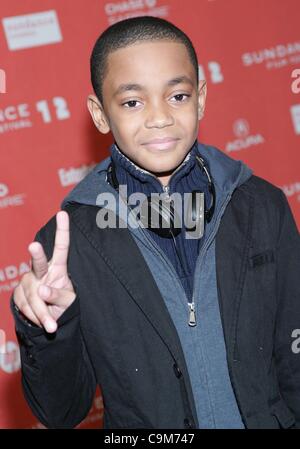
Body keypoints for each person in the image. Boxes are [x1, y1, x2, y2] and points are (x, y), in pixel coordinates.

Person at [11, 16, 300, 429]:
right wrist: (46, 328)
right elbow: (60, 411)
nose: (160, 117)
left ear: (200, 98)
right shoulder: (68, 241)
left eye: (178, 96)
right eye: (132, 102)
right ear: (99, 114)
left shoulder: (262, 205)